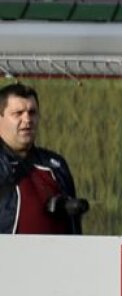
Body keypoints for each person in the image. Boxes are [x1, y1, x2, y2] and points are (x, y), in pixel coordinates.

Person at [0, 82, 87, 235]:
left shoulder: (55, 165)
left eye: (32, 112)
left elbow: (73, 226)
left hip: (54, 257)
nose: (27, 120)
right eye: (18, 113)